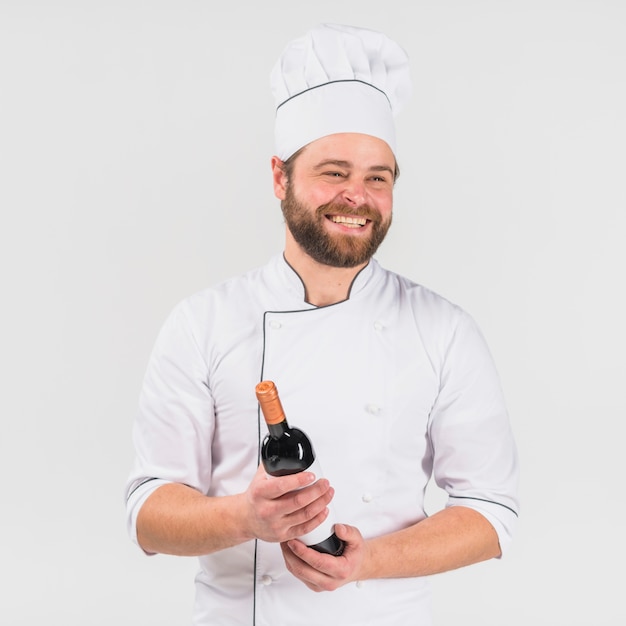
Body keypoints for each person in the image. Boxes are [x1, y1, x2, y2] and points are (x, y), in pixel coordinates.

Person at [125, 23, 519, 626]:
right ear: (280, 177)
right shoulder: (202, 323)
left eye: (377, 177)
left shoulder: (443, 330)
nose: (356, 196)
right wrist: (244, 518)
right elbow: (148, 515)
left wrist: (367, 561)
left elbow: (491, 513)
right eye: (334, 172)